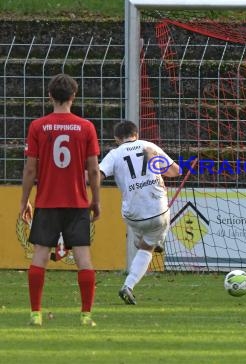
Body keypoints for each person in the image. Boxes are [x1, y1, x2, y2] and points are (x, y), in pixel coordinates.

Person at [20, 73, 101, 327]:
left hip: (46, 201)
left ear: (50, 96)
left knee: (40, 257)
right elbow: (94, 170)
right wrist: (95, 199)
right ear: (73, 96)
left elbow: (31, 169)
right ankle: (86, 316)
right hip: (77, 202)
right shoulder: (86, 127)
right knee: (84, 260)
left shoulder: (37, 126)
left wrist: (24, 201)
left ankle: (36, 314)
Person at [99, 121, 180, 305]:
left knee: (141, 230)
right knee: (148, 245)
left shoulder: (115, 153)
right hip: (157, 212)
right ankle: (129, 284)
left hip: (132, 216)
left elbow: (98, 174)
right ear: (136, 134)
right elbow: (176, 171)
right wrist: (155, 167)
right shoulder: (149, 146)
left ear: (117, 139)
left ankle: (145, 239)